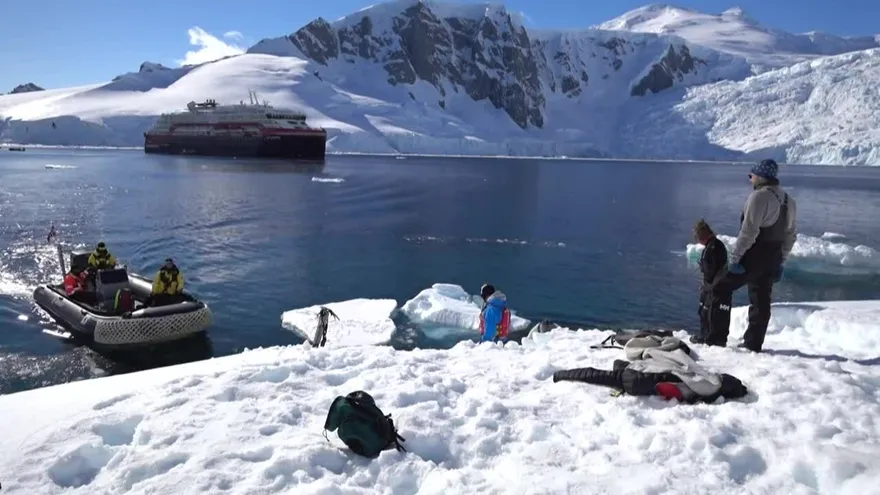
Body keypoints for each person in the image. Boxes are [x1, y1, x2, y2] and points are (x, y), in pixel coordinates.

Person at [712, 159, 797, 352]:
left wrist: (735, 258)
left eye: (751, 176)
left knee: (719, 288)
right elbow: (790, 236)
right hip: (773, 258)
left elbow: (749, 232)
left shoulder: (759, 197)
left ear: (759, 176)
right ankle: (753, 343)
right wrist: (781, 261)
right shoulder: (789, 201)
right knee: (761, 300)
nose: (750, 180)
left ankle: (715, 338)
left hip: (753, 257)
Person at [692, 219, 731, 346]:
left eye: (697, 236)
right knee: (704, 312)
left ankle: (711, 339)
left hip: (716, 289)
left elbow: (712, 271)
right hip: (714, 288)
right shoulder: (713, 245)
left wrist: (707, 286)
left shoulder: (714, 247)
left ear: (701, 235)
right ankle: (707, 337)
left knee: (711, 314)